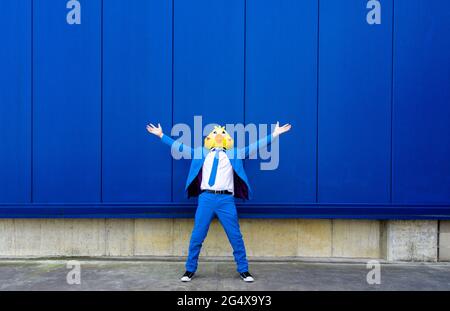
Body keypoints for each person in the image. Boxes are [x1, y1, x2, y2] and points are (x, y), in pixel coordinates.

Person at [146, 121, 292, 282]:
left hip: (226, 200)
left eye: (223, 134)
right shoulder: (201, 152)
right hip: (206, 198)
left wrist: (274, 134)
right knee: (197, 236)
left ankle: (244, 270)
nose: (219, 136)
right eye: (215, 134)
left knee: (235, 236)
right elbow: (180, 147)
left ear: (228, 139)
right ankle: (189, 269)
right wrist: (161, 135)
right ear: (209, 138)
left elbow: (254, 146)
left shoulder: (235, 153)